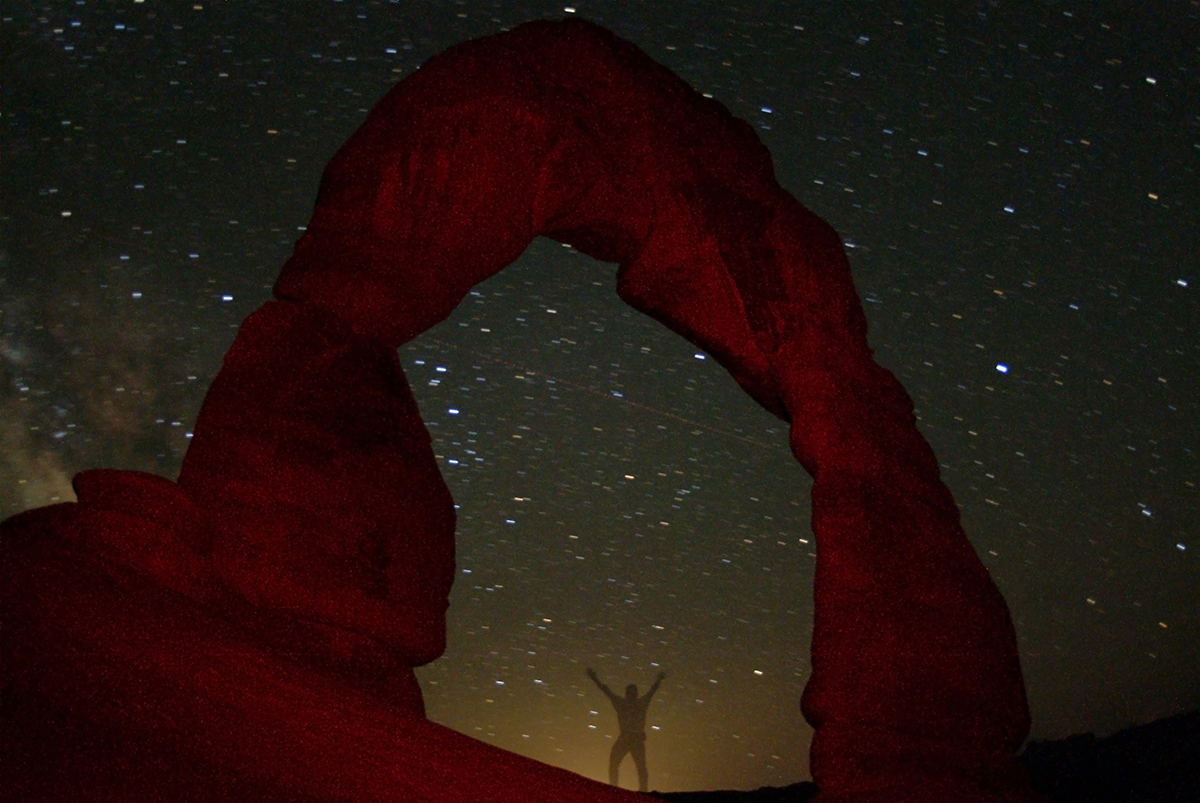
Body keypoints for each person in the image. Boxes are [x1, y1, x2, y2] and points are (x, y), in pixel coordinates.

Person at [586, 667, 666, 792]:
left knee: (635, 766)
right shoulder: (634, 703)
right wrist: (594, 678)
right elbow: (651, 691)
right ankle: (623, 789)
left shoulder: (628, 703)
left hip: (632, 737)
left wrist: (594, 678)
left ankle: (629, 790)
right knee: (630, 765)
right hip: (629, 737)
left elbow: (606, 691)